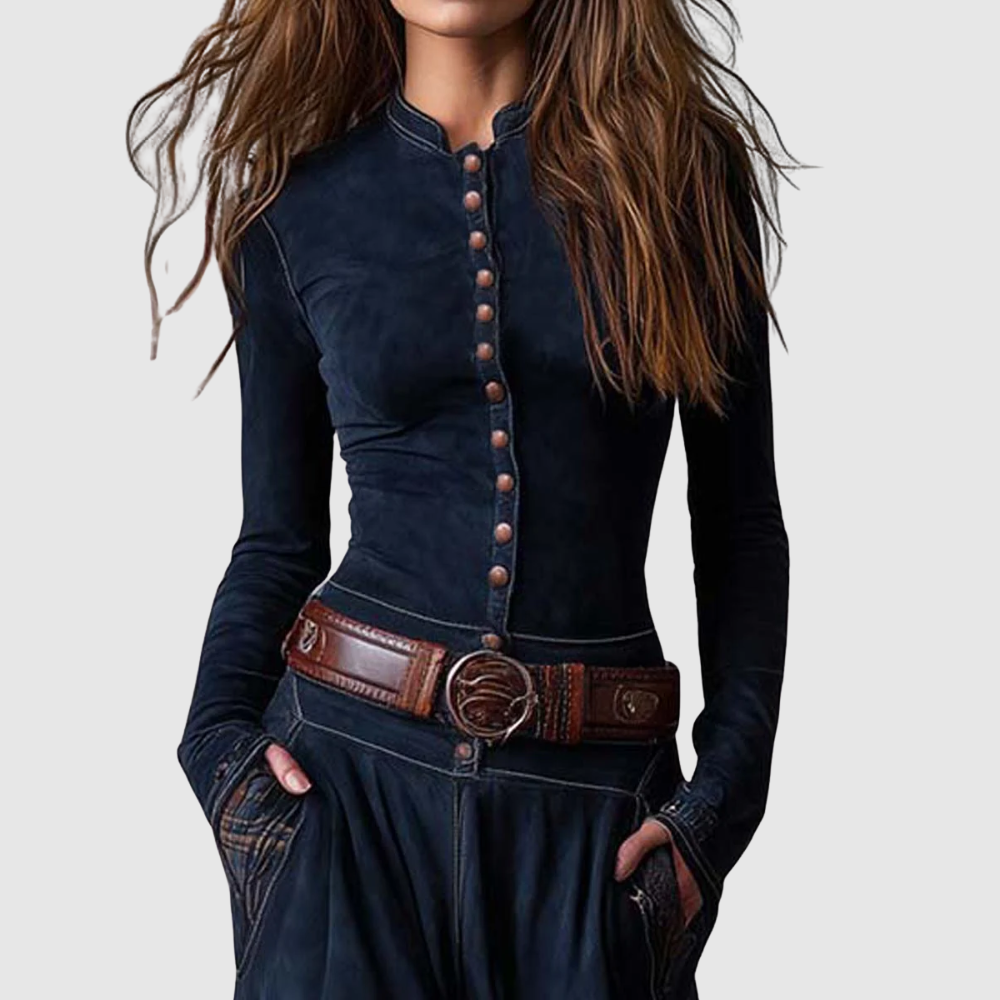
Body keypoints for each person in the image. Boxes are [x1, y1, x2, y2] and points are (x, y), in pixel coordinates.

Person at [128, 1, 795, 997]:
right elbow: (276, 540)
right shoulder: (294, 208)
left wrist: (718, 809)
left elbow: (739, 528)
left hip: (595, 822)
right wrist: (219, 749)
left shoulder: (679, 179)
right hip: (345, 799)